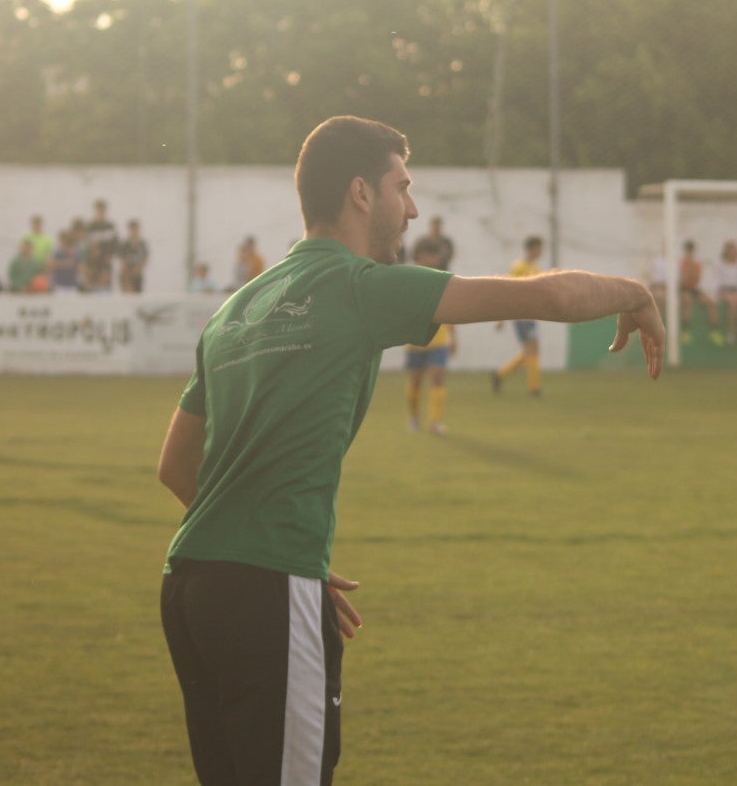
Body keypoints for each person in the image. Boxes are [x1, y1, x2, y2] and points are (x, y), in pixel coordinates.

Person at [156, 115, 663, 786]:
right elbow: (549, 294)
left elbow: (174, 465)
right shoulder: (361, 286)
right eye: (404, 185)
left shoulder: (237, 309)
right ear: (362, 194)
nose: (413, 205)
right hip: (264, 588)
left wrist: (261, 547)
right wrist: (636, 292)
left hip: (190, 585)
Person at [404, 238, 455, 434]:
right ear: (418, 256)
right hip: (415, 339)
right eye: (427, 254)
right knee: (416, 381)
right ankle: (414, 418)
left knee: (437, 378)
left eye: (434, 255)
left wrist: (454, 337)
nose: (431, 259)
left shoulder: (443, 279)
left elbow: (450, 309)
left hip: (439, 339)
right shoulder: (409, 278)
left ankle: (435, 422)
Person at [491, 235, 546, 396]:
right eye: (540, 248)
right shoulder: (518, 267)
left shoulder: (536, 268)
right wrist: (502, 318)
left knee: (531, 350)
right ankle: (534, 388)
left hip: (531, 314)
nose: (541, 251)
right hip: (521, 314)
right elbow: (510, 291)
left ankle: (500, 374)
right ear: (533, 248)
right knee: (532, 349)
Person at [678, 240, 722, 343]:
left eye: (691, 250)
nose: (690, 252)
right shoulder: (681, 262)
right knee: (687, 301)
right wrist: (689, 275)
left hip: (694, 289)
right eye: (688, 250)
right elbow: (684, 279)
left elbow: (696, 278)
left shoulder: (696, 263)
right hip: (684, 289)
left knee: (710, 302)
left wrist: (690, 274)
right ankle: (685, 332)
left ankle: (714, 331)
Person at [711, 240, 737, 345]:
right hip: (725, 290)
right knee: (733, 304)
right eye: (731, 250)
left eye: (735, 250)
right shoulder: (719, 263)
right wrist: (717, 294)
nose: (733, 253)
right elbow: (716, 281)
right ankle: (731, 333)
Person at [84, 200, 119, 294]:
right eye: (99, 210)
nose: (101, 212)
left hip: (106, 263)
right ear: (96, 210)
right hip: (93, 263)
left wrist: (110, 256)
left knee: (105, 287)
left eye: (102, 210)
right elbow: (85, 244)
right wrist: (93, 251)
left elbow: (116, 245)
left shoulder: (110, 226)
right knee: (91, 287)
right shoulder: (90, 226)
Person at [118, 219, 149, 293]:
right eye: (132, 229)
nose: (134, 231)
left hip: (138, 274)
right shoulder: (124, 244)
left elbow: (146, 259)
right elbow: (122, 259)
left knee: (138, 296)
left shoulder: (142, 244)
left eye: (136, 229)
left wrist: (138, 269)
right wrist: (127, 274)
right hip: (127, 275)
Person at [49, 230, 82, 295]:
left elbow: (80, 268)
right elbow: (51, 264)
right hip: (59, 285)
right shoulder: (58, 253)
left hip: (72, 285)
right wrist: (65, 263)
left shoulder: (76, 254)